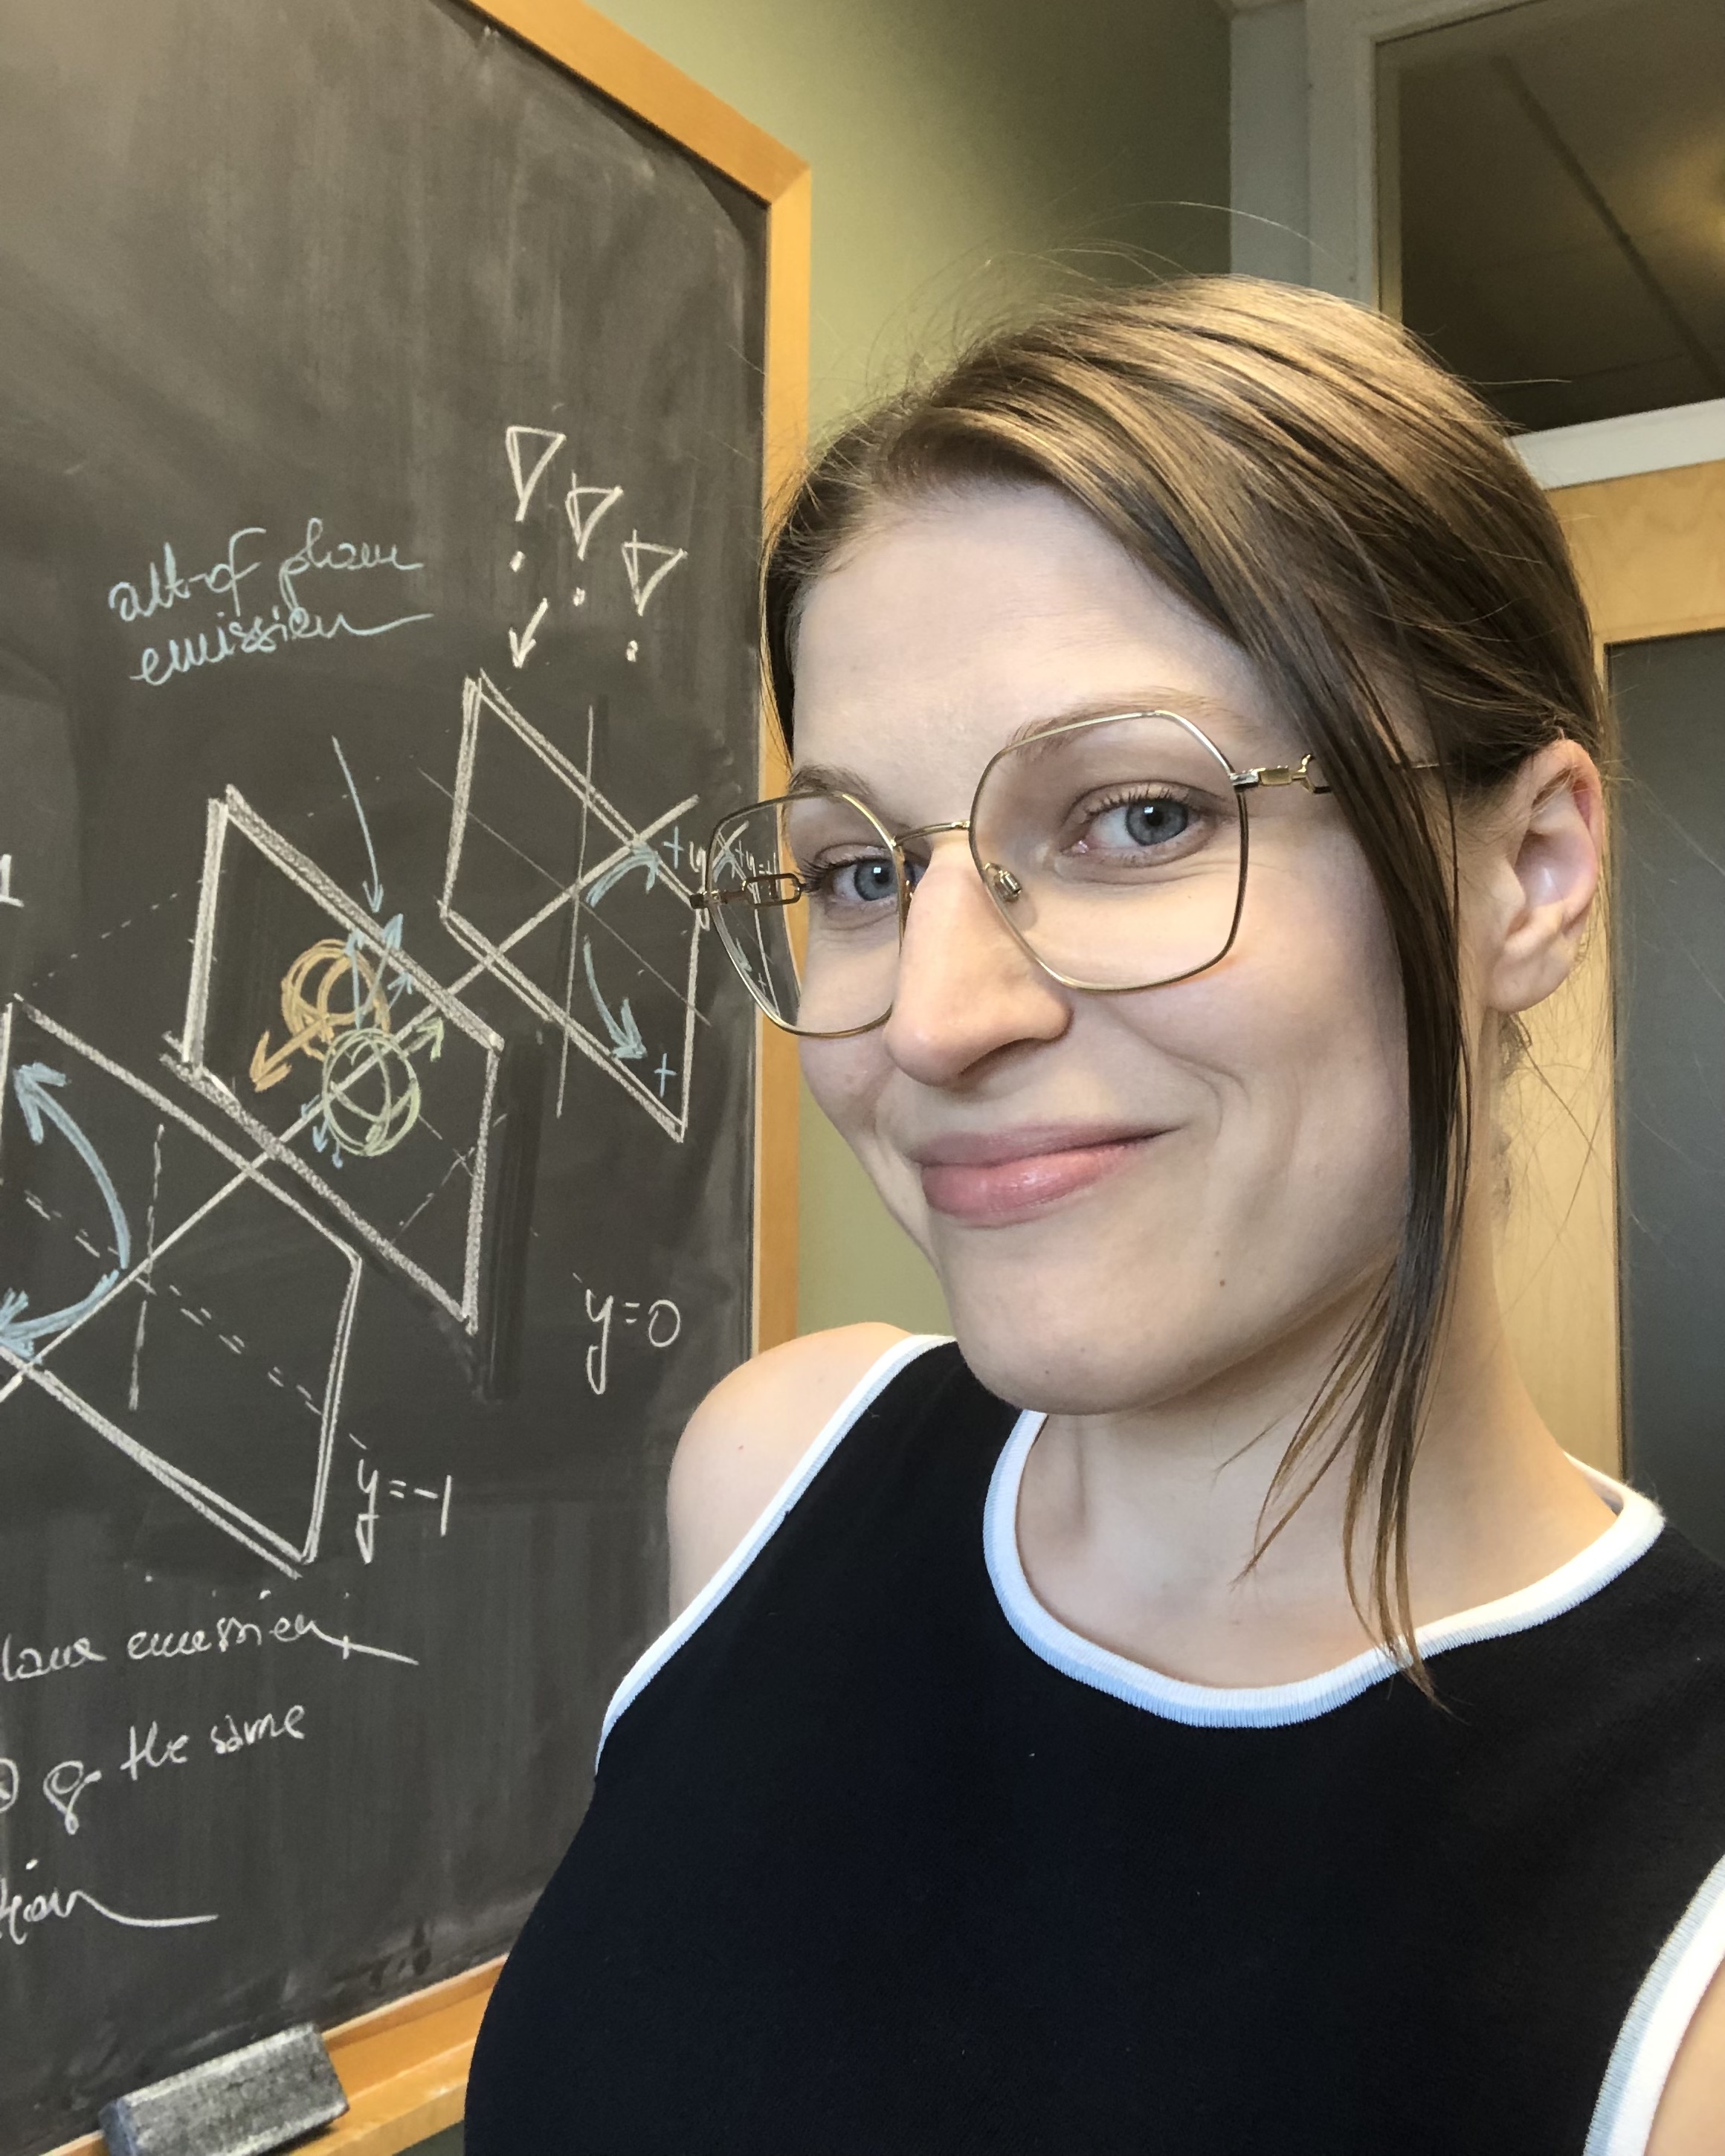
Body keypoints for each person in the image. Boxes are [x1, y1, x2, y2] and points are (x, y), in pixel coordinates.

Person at [465, 278, 1725, 2155]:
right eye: (862, 869)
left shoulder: (1684, 1961)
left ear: (1525, 872)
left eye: (1136, 816)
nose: (931, 1013)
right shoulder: (770, 1476)